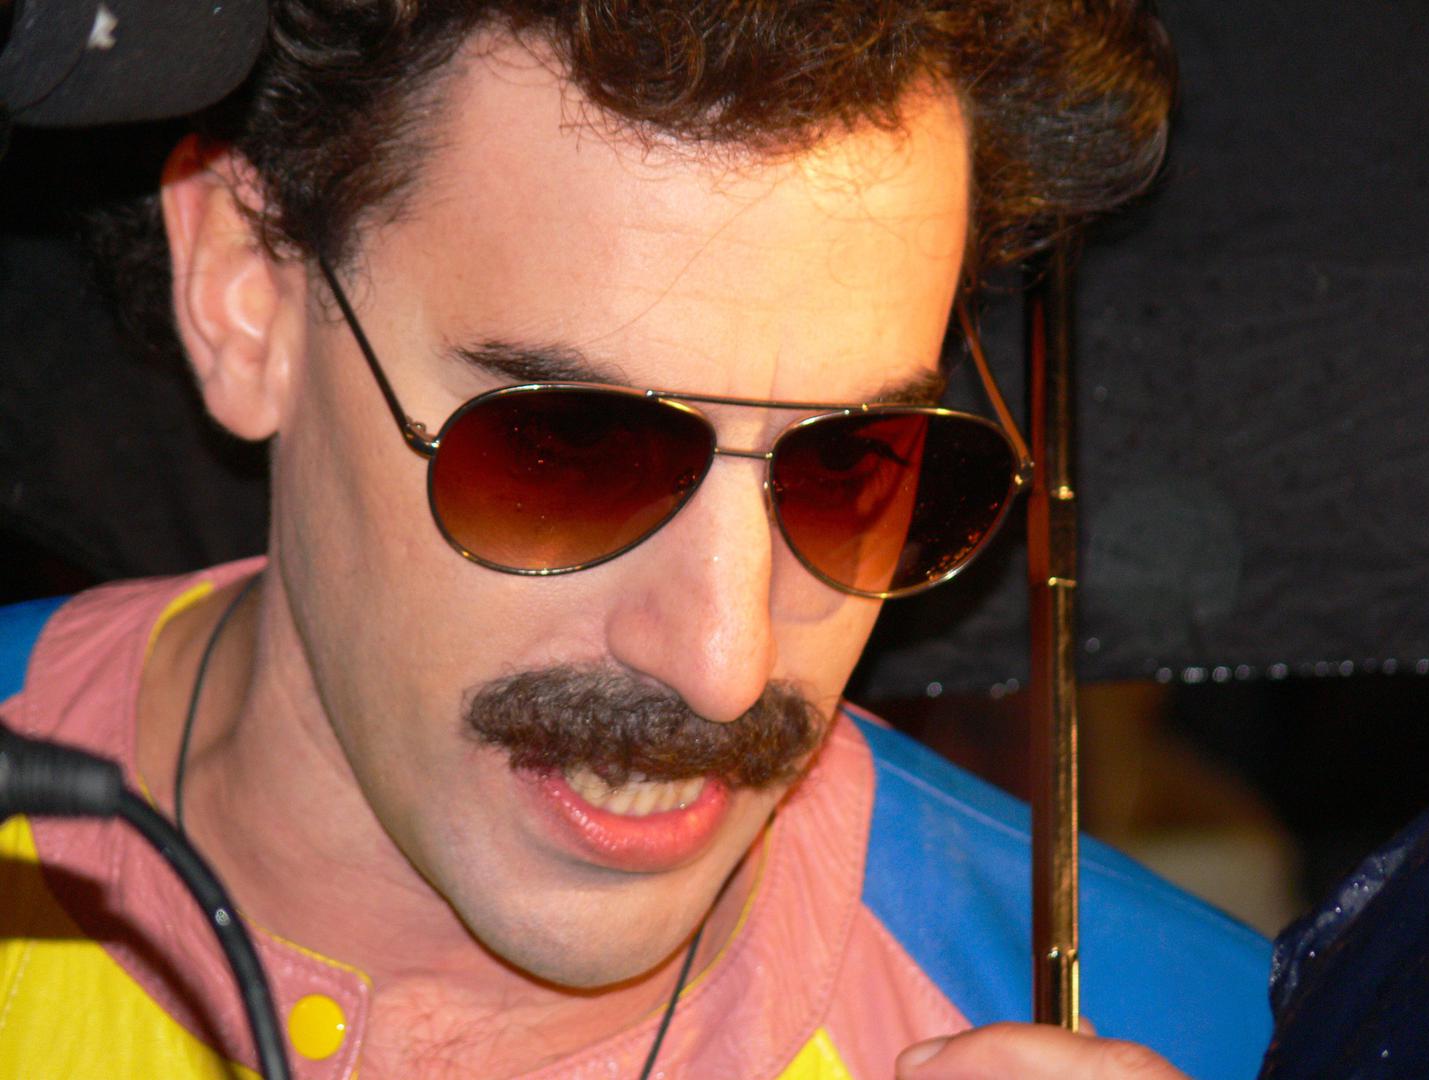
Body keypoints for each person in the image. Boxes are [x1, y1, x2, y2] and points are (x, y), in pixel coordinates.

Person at [0, 3, 1272, 1076]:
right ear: (243, 292)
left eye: (852, 465)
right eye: (569, 450)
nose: (723, 664)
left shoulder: (1204, 1032)